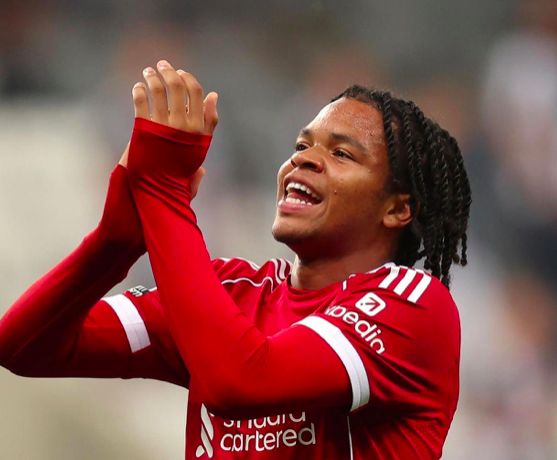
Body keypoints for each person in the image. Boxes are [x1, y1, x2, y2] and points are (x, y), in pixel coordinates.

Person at [0, 59, 471, 459]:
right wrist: (113, 245)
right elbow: (22, 344)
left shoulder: (413, 306)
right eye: (302, 146)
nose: (304, 160)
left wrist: (162, 192)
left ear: (397, 209)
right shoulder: (231, 291)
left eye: (342, 154)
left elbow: (242, 381)